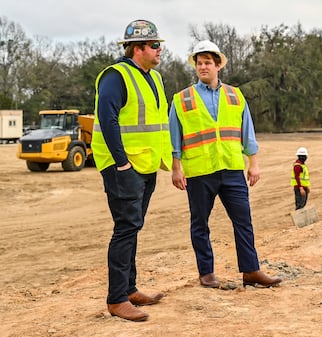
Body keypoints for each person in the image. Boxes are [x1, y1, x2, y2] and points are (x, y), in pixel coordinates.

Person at [169, 40, 282, 289]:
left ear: (218, 65)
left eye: (208, 63)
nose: (203, 67)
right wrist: (176, 168)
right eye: (199, 63)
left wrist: (254, 163)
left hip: (232, 169)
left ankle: (251, 271)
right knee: (200, 224)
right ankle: (206, 273)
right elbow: (174, 138)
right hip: (199, 172)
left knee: (244, 221)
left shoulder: (235, 95)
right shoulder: (181, 99)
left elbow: (247, 132)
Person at [91, 19, 172, 322]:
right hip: (123, 165)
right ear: (137, 49)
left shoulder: (155, 77)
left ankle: (129, 289)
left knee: (134, 225)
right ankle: (116, 299)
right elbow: (108, 119)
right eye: (154, 45)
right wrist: (122, 161)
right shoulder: (116, 76)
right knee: (125, 227)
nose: (159, 49)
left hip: (147, 163)